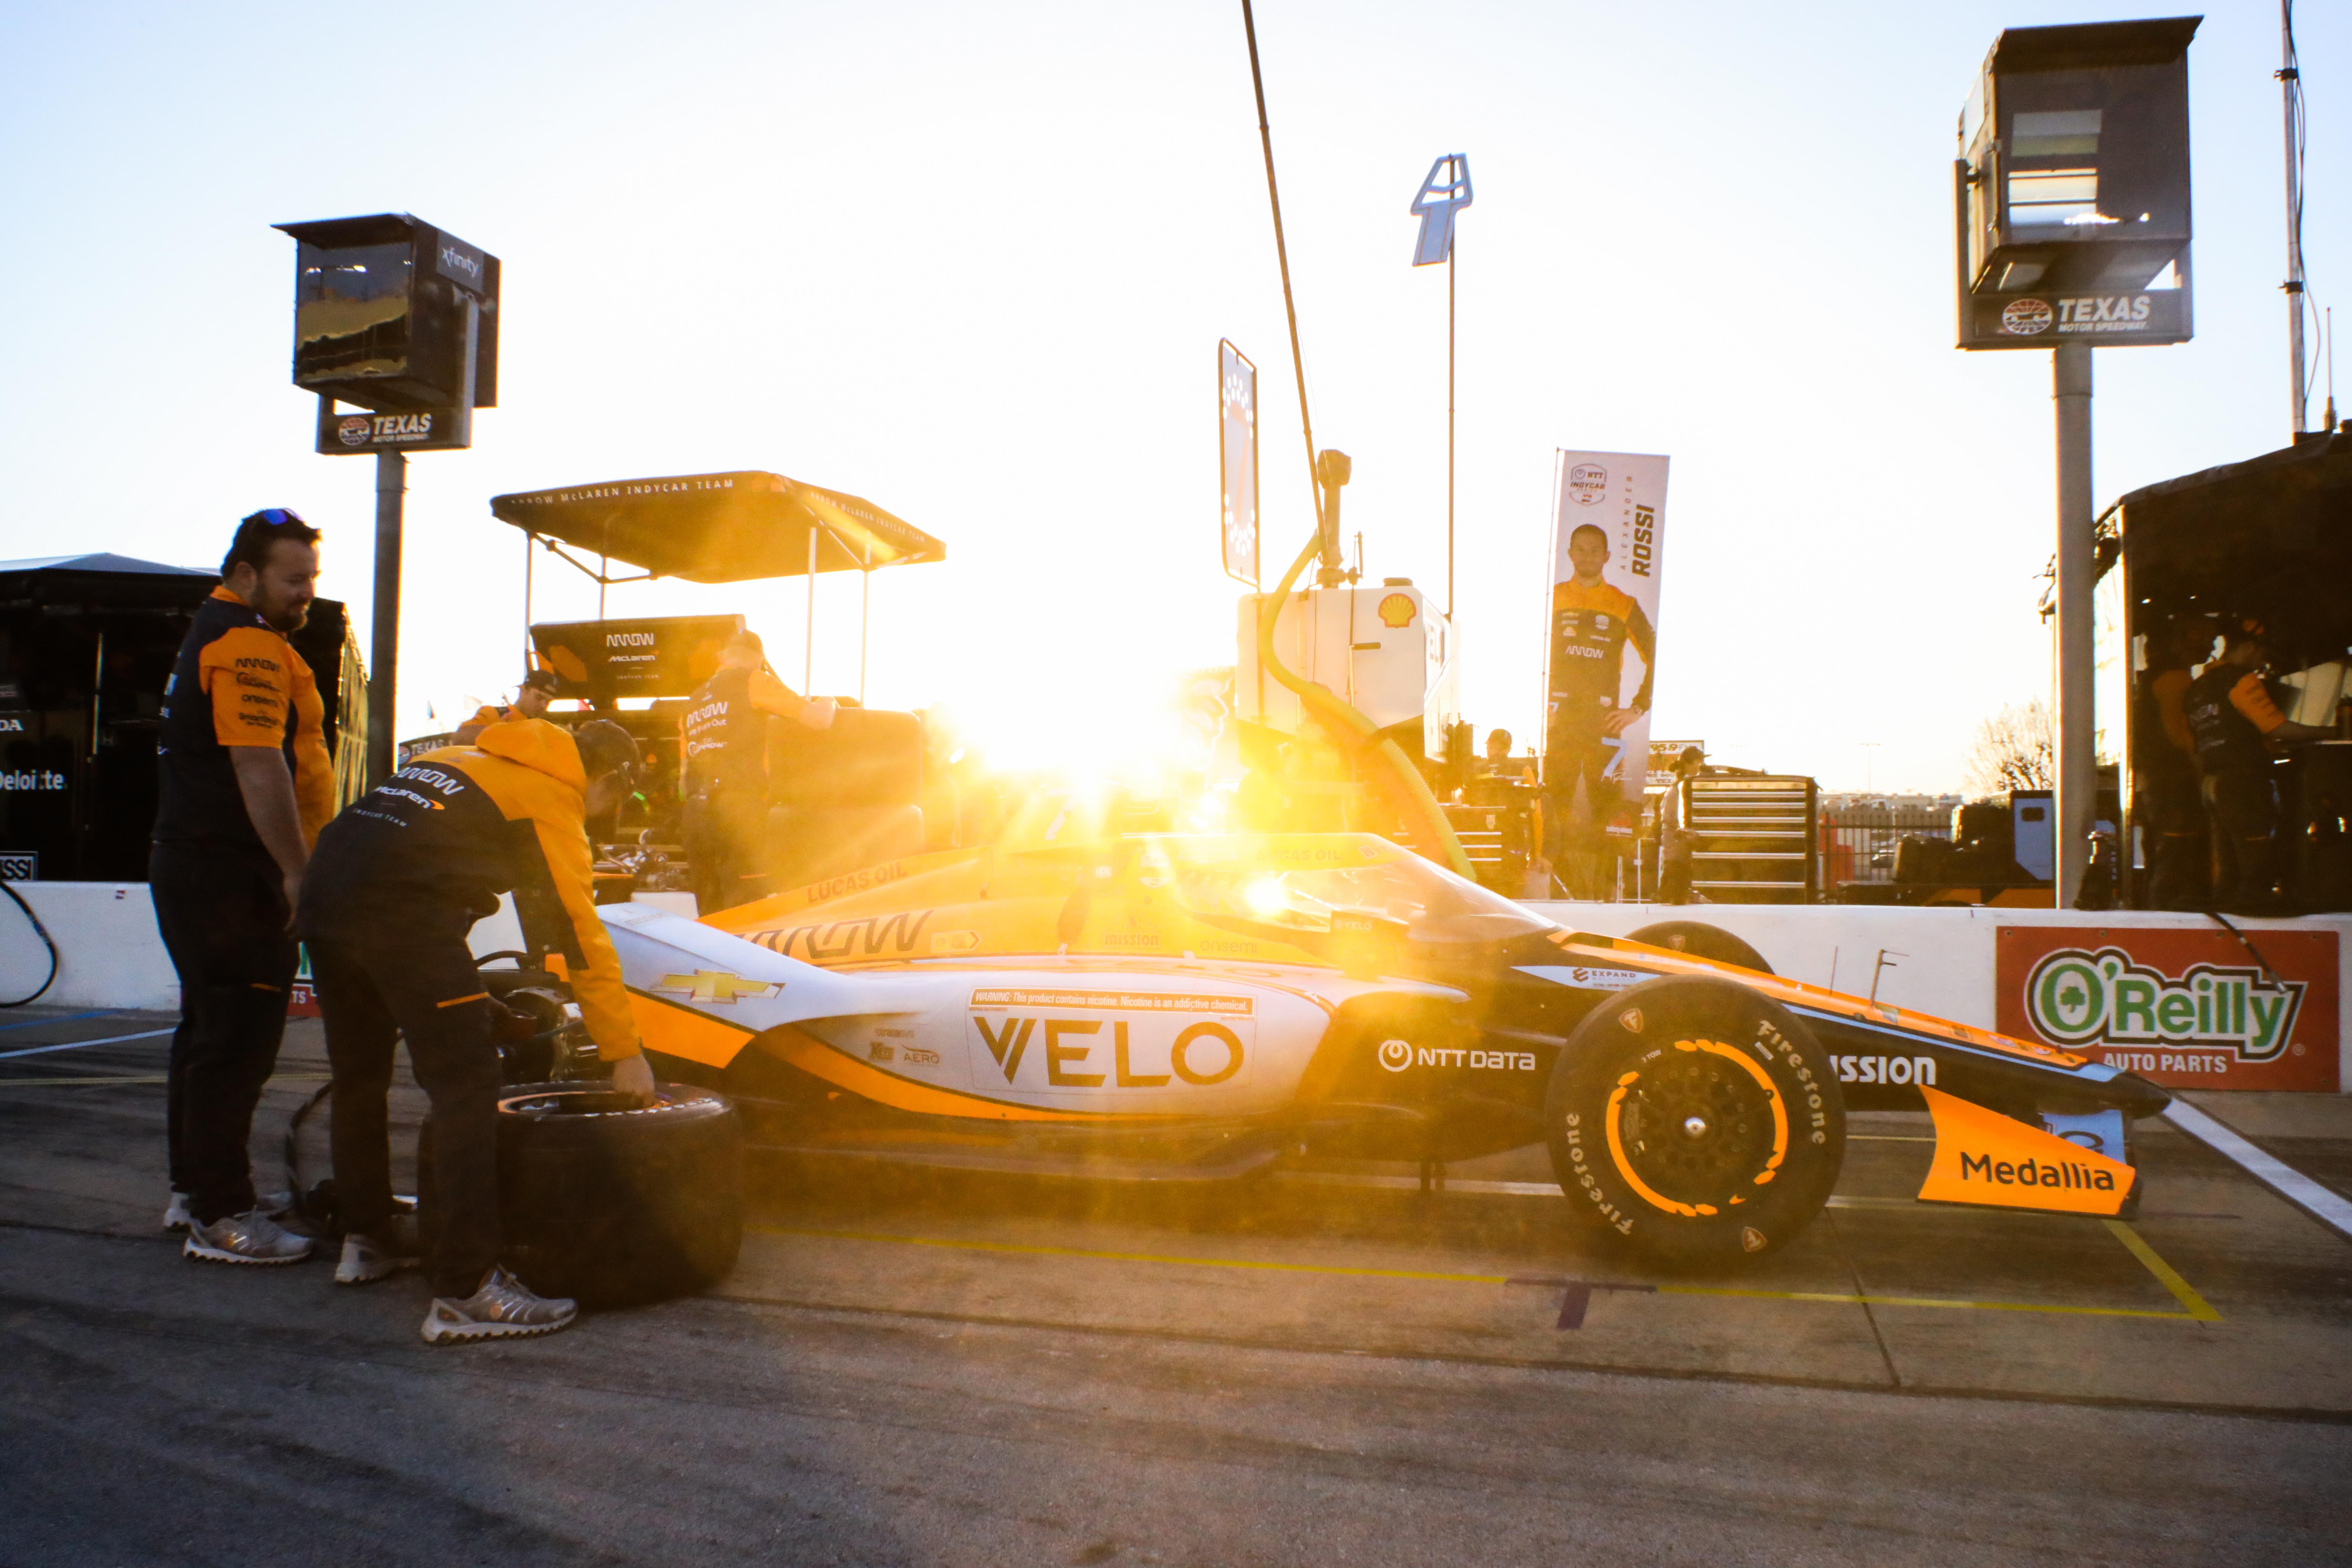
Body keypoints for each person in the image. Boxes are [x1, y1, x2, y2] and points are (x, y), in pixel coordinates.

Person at [298, 716, 654, 1344]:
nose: (605, 813)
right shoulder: (551, 799)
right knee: (468, 1084)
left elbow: (419, 855)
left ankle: (368, 1238)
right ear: (610, 779)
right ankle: (467, 1290)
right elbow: (581, 942)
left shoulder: (469, 757)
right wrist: (625, 1052)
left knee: (360, 1076)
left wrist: (450, 988)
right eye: (617, 800)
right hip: (402, 911)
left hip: (326, 896)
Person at [154, 509, 338, 1266]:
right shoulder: (249, 642)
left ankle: (197, 1191)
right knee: (235, 1044)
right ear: (244, 576)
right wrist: (299, 869)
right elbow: (258, 764)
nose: (305, 595)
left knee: (205, 1037)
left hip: (197, 865)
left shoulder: (213, 630)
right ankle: (222, 1214)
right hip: (232, 874)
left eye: (312, 579)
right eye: (293, 580)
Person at [2182, 620, 2333, 912]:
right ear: (2249, 647)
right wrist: (2330, 732)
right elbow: (2277, 728)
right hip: (2243, 780)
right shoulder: (2241, 679)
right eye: (2263, 653)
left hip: (2212, 782)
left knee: (2229, 869)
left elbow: (2196, 742)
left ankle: (2227, 928)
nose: (2264, 661)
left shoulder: (2198, 687)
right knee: (2256, 867)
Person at [680, 631, 835, 914]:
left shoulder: (692, 702)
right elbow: (819, 720)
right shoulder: (753, 680)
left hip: (696, 818)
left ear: (722, 657)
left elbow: (683, 774)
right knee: (747, 912)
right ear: (759, 658)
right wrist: (829, 701)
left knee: (711, 914)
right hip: (739, 813)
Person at [1544, 523, 1654, 897]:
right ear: (1570, 554)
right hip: (1559, 721)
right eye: (1581, 550)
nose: (1588, 557)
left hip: (1604, 724)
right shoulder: (1552, 598)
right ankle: (1552, 889)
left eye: (1596, 551)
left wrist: (1638, 708)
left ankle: (1609, 893)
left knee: (1608, 807)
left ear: (1607, 557)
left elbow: (1656, 652)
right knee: (1553, 802)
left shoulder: (1623, 604)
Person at [2137, 621, 2208, 909]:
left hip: (2153, 783)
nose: (2213, 647)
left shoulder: (2148, 680)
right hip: (2174, 785)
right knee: (2179, 859)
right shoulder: (2174, 679)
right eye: (2208, 637)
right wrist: (2205, 766)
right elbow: (2179, 735)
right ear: (2181, 643)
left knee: (2159, 856)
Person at [452, 667, 558, 744]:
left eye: (547, 702)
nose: (542, 706)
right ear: (523, 690)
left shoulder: (542, 728)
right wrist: (499, 732)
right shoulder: (496, 713)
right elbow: (459, 739)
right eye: (538, 697)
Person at [1658, 746, 1704, 904]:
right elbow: (1681, 820)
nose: (1702, 768)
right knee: (1676, 886)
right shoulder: (1684, 787)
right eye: (1700, 763)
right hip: (1679, 843)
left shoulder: (1679, 785)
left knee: (1673, 882)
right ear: (1690, 764)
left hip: (1675, 843)